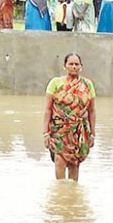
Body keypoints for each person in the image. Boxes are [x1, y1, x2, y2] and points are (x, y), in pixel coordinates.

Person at [42, 53, 96, 181]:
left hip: (78, 131)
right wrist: (46, 133)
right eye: (70, 64)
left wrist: (92, 134)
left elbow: (92, 111)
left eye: (77, 64)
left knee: (74, 165)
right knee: (59, 161)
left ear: (81, 67)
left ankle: (73, 197)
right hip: (58, 130)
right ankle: (60, 196)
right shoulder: (55, 83)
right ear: (64, 66)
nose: (74, 67)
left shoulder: (87, 85)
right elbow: (48, 109)